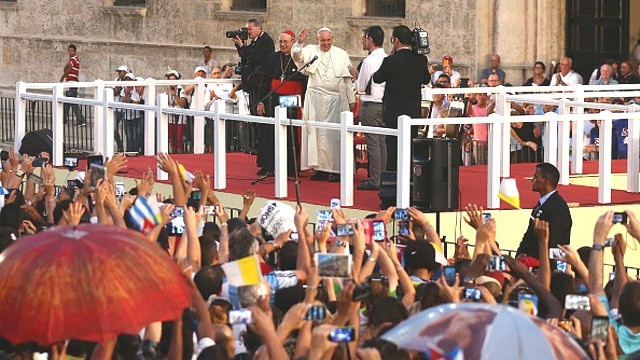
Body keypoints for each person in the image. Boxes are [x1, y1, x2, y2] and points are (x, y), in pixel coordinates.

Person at [292, 27, 355, 182]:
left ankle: (337, 170)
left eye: (328, 40)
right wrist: (300, 41)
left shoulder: (342, 54)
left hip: (337, 100)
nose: (325, 43)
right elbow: (297, 56)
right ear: (317, 40)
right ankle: (319, 169)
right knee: (316, 133)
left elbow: (347, 81)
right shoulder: (311, 50)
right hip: (315, 99)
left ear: (333, 39)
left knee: (334, 136)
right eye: (322, 40)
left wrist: (352, 100)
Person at [373, 25, 430, 172]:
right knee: (410, 148)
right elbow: (426, 79)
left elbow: (377, 78)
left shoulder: (390, 61)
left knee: (393, 150)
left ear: (396, 41)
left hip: (393, 113)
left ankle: (393, 185)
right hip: (412, 112)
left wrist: (391, 56)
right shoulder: (420, 59)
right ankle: (411, 183)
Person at [254, 29, 307, 177]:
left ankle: (290, 167)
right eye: (281, 42)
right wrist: (261, 101)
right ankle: (268, 165)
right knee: (269, 132)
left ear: (293, 42)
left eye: (286, 42)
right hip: (274, 99)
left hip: (292, 100)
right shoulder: (272, 58)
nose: (283, 44)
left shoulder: (299, 59)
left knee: (290, 133)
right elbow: (264, 82)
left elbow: (305, 84)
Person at [230, 18, 275, 156]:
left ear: (259, 28)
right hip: (253, 84)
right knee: (254, 113)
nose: (247, 32)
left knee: (259, 114)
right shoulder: (255, 41)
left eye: (249, 29)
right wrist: (240, 45)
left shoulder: (265, 41)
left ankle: (262, 145)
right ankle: (258, 143)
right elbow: (246, 56)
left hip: (260, 84)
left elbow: (254, 57)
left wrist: (242, 47)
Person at [516, 163, 572, 259]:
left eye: (535, 177)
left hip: (546, 265)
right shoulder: (541, 204)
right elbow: (529, 235)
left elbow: (556, 242)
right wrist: (520, 255)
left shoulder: (558, 207)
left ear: (546, 181)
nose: (532, 180)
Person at [354, 26, 387, 191]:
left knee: (373, 144)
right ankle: (383, 177)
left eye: (364, 38)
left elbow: (361, 86)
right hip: (384, 104)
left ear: (370, 39)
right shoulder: (387, 58)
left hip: (372, 103)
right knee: (382, 144)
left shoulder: (368, 61)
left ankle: (375, 180)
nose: (362, 41)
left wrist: (355, 75)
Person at [60, 44, 86, 126]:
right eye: (69, 51)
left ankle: (81, 120)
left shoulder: (74, 59)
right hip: (71, 84)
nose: (70, 52)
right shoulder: (73, 59)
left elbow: (68, 67)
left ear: (75, 51)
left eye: (72, 51)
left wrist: (63, 76)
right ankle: (64, 120)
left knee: (73, 104)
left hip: (72, 84)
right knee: (67, 103)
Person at [113, 65, 129, 152]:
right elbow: (115, 92)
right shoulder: (116, 80)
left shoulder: (129, 80)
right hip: (116, 108)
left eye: (121, 71)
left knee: (127, 130)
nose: (119, 73)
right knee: (114, 128)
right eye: (118, 71)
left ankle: (129, 148)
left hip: (125, 109)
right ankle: (119, 144)